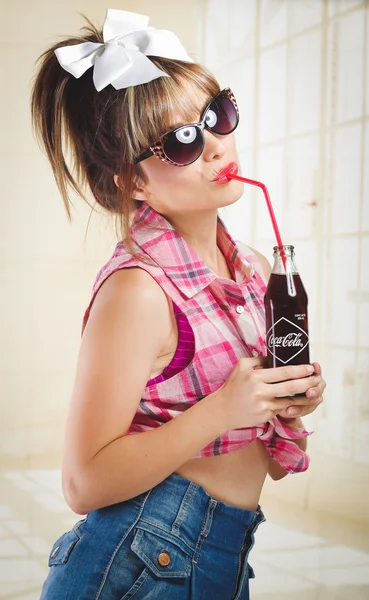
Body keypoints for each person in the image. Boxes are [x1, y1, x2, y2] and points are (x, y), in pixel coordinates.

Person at [31, 9, 326, 600]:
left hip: (221, 554)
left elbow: (256, 458)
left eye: (216, 115)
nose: (218, 145)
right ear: (133, 182)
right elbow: (82, 481)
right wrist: (224, 409)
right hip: (142, 559)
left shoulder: (252, 270)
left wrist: (280, 402)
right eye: (184, 141)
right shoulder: (139, 291)